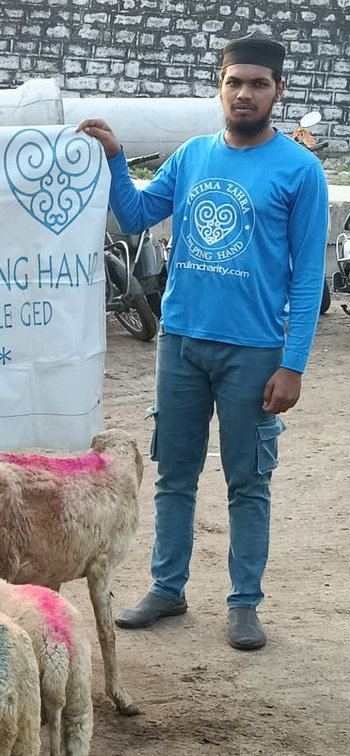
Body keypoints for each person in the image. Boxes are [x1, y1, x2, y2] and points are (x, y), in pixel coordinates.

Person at [77, 33, 329, 651]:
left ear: (278, 91)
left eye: (258, 84)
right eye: (234, 82)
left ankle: (244, 603)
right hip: (182, 343)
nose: (244, 94)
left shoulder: (301, 171)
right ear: (219, 86)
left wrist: (292, 364)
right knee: (175, 476)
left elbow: (306, 275)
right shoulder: (191, 156)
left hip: (254, 352)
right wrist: (113, 156)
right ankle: (167, 588)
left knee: (248, 481)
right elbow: (134, 216)